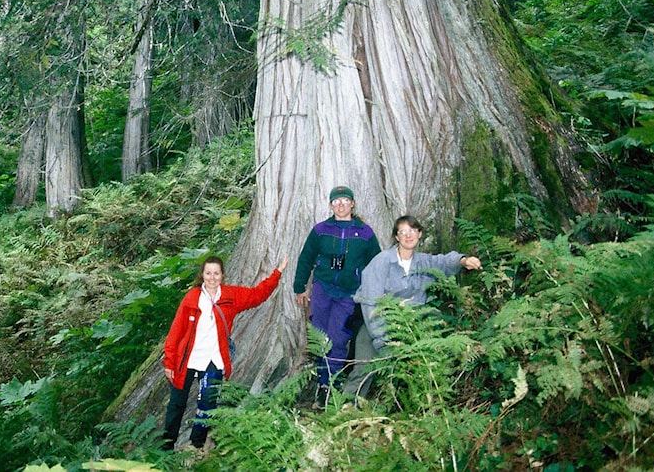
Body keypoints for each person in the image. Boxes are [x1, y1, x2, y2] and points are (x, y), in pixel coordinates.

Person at [162, 254, 289, 450]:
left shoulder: (230, 296)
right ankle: (167, 446)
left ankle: (196, 444)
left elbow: (257, 295)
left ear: (222, 275)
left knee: (208, 403)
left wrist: (277, 272)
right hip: (186, 359)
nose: (212, 278)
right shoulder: (192, 298)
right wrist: (169, 362)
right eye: (208, 273)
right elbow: (176, 331)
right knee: (177, 404)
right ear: (202, 275)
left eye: (216, 273)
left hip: (213, 359)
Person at [293, 186, 380, 401]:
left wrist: (375, 292)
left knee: (339, 338)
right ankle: (322, 381)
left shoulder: (365, 233)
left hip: (349, 294)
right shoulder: (321, 230)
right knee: (320, 335)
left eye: (345, 201)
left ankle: (330, 382)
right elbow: (306, 258)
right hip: (323, 289)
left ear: (352, 204)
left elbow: (376, 263)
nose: (341, 205)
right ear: (331, 205)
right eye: (336, 201)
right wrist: (299, 287)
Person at [355, 215, 483, 355]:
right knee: (365, 362)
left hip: (415, 322)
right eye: (403, 231)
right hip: (382, 323)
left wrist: (463, 261)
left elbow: (444, 262)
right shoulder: (382, 261)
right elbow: (371, 303)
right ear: (397, 237)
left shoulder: (423, 261)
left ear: (420, 234)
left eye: (413, 230)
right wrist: (384, 342)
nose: (408, 235)